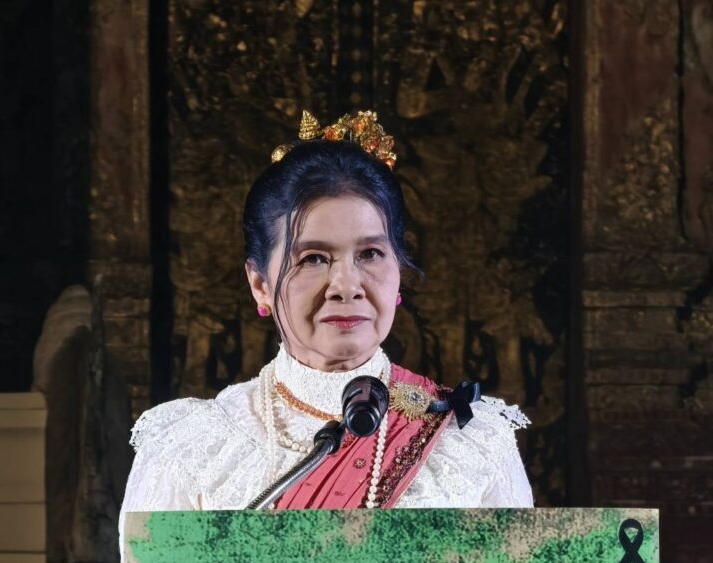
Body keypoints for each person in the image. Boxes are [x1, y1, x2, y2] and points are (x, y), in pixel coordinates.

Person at [120, 110, 533, 516]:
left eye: (370, 254)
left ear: (399, 274)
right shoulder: (192, 449)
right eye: (313, 258)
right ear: (260, 284)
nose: (346, 285)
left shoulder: (471, 442)